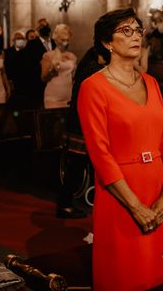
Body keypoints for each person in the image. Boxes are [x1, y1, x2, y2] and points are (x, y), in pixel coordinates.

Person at [78, 8, 163, 291]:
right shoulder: (93, 87)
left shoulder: (151, 83)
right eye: (126, 31)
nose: (135, 37)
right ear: (107, 43)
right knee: (124, 275)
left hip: (157, 191)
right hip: (120, 193)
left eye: (138, 31)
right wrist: (134, 206)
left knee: (156, 275)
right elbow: (100, 153)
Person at [56, 46, 105, 219]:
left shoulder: (91, 66)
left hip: (82, 120)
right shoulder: (92, 69)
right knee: (76, 165)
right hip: (81, 123)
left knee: (80, 165)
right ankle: (64, 204)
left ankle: (68, 202)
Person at [41, 24, 77, 109]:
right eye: (63, 40)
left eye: (67, 40)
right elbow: (43, 78)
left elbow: (73, 77)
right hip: (53, 98)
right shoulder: (48, 55)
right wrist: (53, 70)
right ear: (56, 40)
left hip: (68, 97)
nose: (65, 42)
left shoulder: (71, 56)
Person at [24, 19, 55, 108]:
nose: (45, 28)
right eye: (41, 26)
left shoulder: (55, 42)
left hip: (55, 79)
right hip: (39, 82)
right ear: (37, 29)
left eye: (46, 25)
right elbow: (29, 63)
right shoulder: (32, 44)